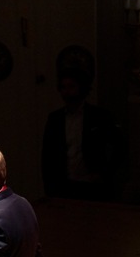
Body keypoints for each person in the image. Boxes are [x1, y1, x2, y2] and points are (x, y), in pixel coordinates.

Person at [41, 68, 125, 201]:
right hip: (65, 186)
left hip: (93, 186)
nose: (66, 92)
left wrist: (105, 173)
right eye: (63, 87)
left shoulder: (99, 116)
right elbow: (48, 155)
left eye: (71, 86)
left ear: (82, 88)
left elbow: (120, 147)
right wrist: (50, 187)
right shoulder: (55, 119)